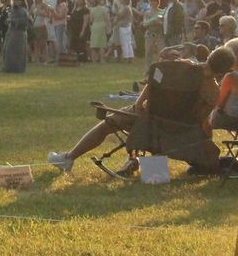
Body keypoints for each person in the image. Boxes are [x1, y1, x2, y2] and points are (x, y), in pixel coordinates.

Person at [48, 53, 218, 174]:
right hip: (175, 129)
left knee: (106, 125)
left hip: (145, 117)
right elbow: (199, 120)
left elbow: (154, 79)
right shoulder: (213, 92)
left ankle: (68, 158)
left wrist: (139, 102)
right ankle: (138, 161)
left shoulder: (182, 67)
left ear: (209, 57)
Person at [205, 44, 238, 132]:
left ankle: (205, 141)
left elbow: (219, 103)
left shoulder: (231, 76)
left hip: (233, 120)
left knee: (205, 114)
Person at [3, 0, 29, 73]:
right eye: (15, 0)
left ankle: (18, 69)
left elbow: (24, 22)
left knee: (18, 52)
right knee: (8, 50)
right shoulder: (12, 10)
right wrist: (8, 20)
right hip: (11, 32)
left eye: (18, 0)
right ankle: (8, 68)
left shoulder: (23, 11)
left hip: (19, 33)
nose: (16, 1)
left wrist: (13, 20)